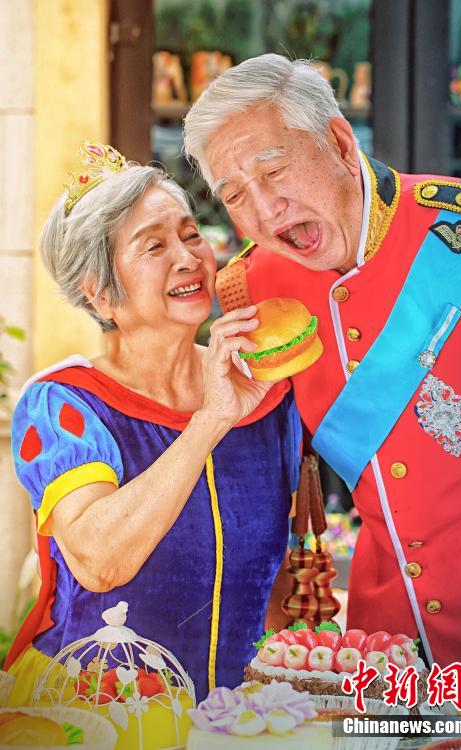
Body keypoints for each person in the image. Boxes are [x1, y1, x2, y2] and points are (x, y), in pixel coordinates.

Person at [184, 54, 461, 674]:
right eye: (234, 196)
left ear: (338, 141)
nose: (264, 210)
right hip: (386, 655)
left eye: (275, 169)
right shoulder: (248, 291)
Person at [6, 141, 301, 715]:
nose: (188, 258)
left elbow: (273, 575)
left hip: (237, 720)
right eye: (154, 246)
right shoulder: (63, 404)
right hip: (92, 721)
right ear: (98, 291)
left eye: (192, 235)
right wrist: (211, 420)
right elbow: (99, 561)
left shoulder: (264, 392)